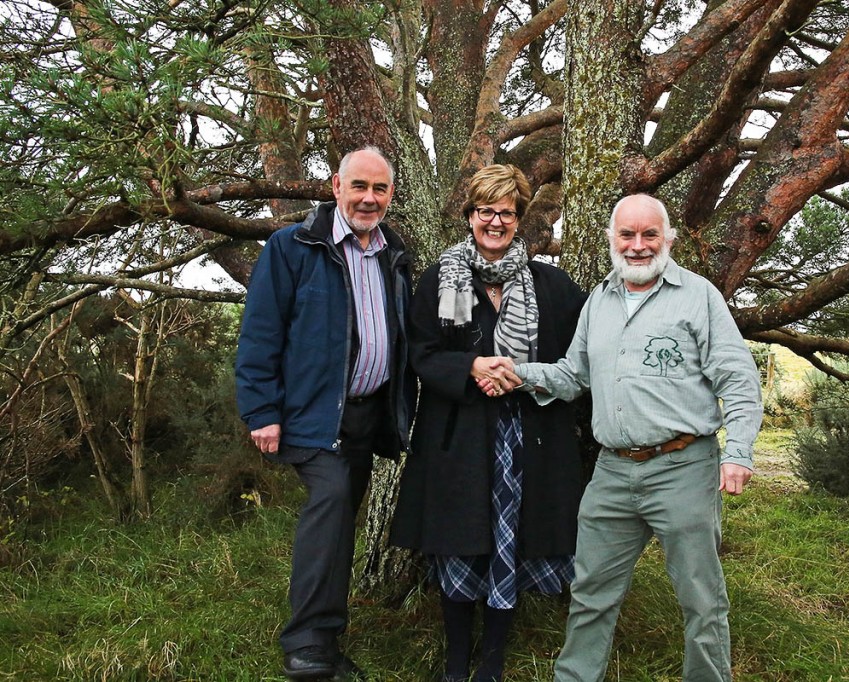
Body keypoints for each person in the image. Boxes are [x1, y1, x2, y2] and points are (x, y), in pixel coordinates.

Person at [481, 193, 763, 681]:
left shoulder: (698, 297)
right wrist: (519, 373)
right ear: (612, 240)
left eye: (648, 235)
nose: (637, 246)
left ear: (667, 239)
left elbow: (737, 380)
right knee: (590, 592)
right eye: (627, 235)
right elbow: (574, 375)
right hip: (612, 473)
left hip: (683, 467)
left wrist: (737, 452)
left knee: (701, 598)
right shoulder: (600, 299)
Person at [390, 164, 587, 682]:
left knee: (510, 543)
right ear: (469, 216)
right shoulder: (440, 278)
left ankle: (493, 659)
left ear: (520, 219)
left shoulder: (553, 286)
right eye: (485, 211)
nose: (495, 222)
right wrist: (470, 367)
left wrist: (521, 375)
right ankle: (457, 660)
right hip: (458, 437)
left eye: (505, 212)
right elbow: (420, 354)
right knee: (459, 544)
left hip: (529, 437)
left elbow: (579, 357)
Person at [235, 146, 414, 681]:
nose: (368, 198)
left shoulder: (393, 253)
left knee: (342, 518)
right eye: (359, 186)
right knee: (332, 501)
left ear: (389, 195)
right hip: (312, 416)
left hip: (366, 415)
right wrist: (261, 410)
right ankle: (308, 645)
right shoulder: (293, 247)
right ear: (336, 186)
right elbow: (260, 333)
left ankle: (327, 634)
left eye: (379, 189)